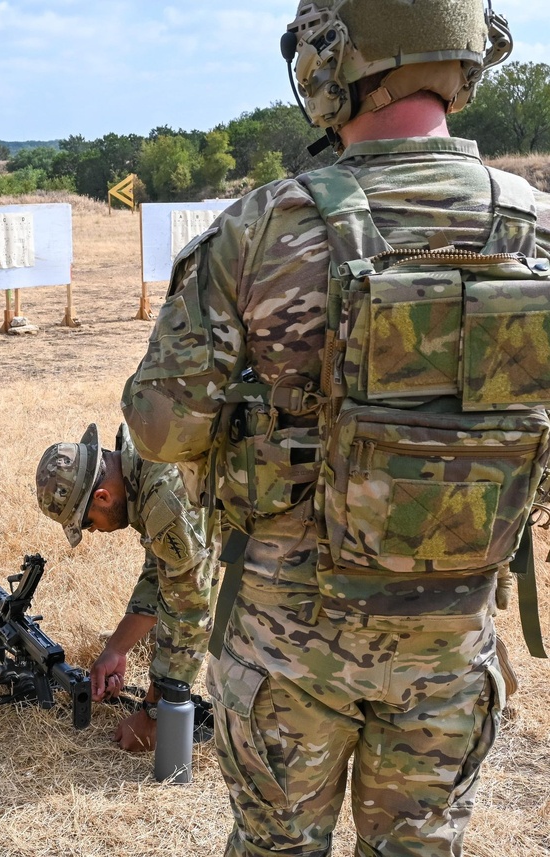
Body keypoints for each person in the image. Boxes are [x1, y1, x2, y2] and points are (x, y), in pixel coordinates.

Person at [121, 1, 548, 854]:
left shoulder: (265, 226)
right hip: (448, 649)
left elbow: (161, 429)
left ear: (330, 67)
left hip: (287, 654)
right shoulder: (534, 225)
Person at [35, 423, 218, 751]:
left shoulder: (166, 501)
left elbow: (188, 612)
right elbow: (159, 572)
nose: (92, 532)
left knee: (232, 681)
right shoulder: (144, 459)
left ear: (102, 496)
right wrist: (116, 649)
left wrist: (152, 716)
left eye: (88, 523)